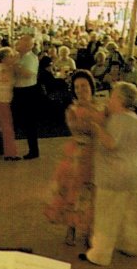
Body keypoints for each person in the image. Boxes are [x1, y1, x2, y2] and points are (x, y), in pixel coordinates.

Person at [79, 82, 137, 266]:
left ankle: (99, 254)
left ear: (119, 99)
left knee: (106, 216)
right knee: (128, 214)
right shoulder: (133, 118)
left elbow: (110, 143)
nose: (109, 100)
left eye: (112, 96)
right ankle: (131, 245)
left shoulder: (118, 120)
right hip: (136, 173)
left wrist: (97, 126)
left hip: (116, 175)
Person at [44, 70, 105, 247]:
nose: (80, 90)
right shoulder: (72, 109)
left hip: (96, 156)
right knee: (72, 192)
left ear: (91, 86)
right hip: (76, 156)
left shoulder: (102, 107)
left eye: (84, 86)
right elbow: (78, 128)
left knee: (91, 195)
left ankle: (88, 231)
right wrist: (94, 124)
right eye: (77, 87)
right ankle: (71, 228)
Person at [11, 35, 41, 160]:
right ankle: (4, 147)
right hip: (17, 91)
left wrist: (14, 66)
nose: (18, 43)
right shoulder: (17, 56)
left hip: (28, 92)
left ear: (28, 45)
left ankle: (34, 151)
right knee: (11, 121)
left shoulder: (31, 58)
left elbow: (28, 74)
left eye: (21, 42)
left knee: (29, 123)